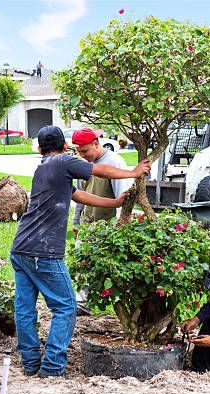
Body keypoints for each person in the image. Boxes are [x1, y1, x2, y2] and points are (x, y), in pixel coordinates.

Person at [10, 125, 151, 379]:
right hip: (44, 251)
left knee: (25, 308)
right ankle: (52, 368)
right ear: (65, 146)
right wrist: (134, 171)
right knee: (65, 306)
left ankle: (31, 363)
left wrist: (114, 203)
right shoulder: (63, 161)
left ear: (41, 148)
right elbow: (102, 169)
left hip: (20, 248)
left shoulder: (43, 167)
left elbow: (77, 195)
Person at [70, 128, 133, 315]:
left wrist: (120, 228)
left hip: (108, 227)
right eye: (78, 152)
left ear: (96, 143)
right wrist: (76, 223)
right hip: (87, 224)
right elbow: (80, 196)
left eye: (85, 151)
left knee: (109, 270)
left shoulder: (115, 163)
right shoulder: (84, 165)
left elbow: (124, 201)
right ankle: (82, 304)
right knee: (83, 265)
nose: (82, 155)